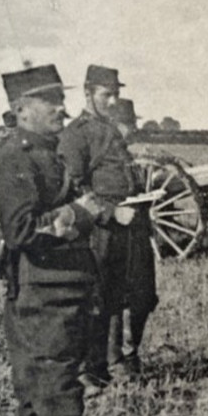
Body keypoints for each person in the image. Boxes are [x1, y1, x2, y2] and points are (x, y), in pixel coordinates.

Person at [0, 63, 113, 416]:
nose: (61, 108)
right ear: (22, 110)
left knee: (36, 403)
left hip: (51, 295)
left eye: (60, 100)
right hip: (47, 299)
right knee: (59, 403)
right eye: (49, 102)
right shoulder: (15, 158)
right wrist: (81, 214)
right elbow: (20, 231)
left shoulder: (42, 152)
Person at [59, 65, 134, 393]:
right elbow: (73, 186)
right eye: (107, 94)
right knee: (92, 299)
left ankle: (108, 362)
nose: (113, 100)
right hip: (96, 228)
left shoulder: (111, 129)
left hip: (121, 226)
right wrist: (108, 212)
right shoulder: (76, 133)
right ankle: (84, 371)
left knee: (115, 296)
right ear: (88, 93)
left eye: (116, 93)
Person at [108, 97, 157, 374]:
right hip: (117, 234)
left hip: (138, 233)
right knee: (120, 297)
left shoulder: (129, 156)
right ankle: (119, 358)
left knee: (144, 296)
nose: (131, 130)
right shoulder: (106, 156)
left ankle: (130, 350)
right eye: (127, 124)